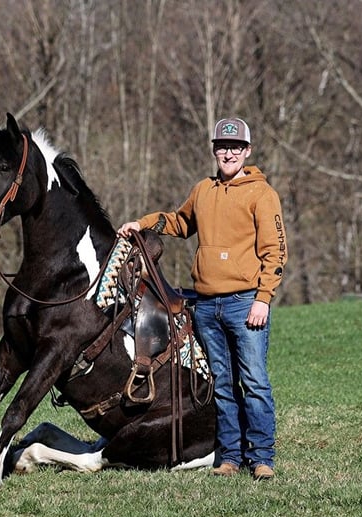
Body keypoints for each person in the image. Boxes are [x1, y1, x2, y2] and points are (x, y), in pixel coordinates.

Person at [117, 117, 287, 480]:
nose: (229, 153)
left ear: (248, 151)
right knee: (222, 383)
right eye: (223, 147)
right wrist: (142, 224)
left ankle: (262, 458)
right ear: (214, 150)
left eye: (236, 147)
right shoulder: (203, 191)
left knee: (254, 381)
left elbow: (276, 252)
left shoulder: (262, 194)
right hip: (207, 305)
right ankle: (229, 457)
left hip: (245, 304)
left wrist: (263, 299)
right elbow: (179, 222)